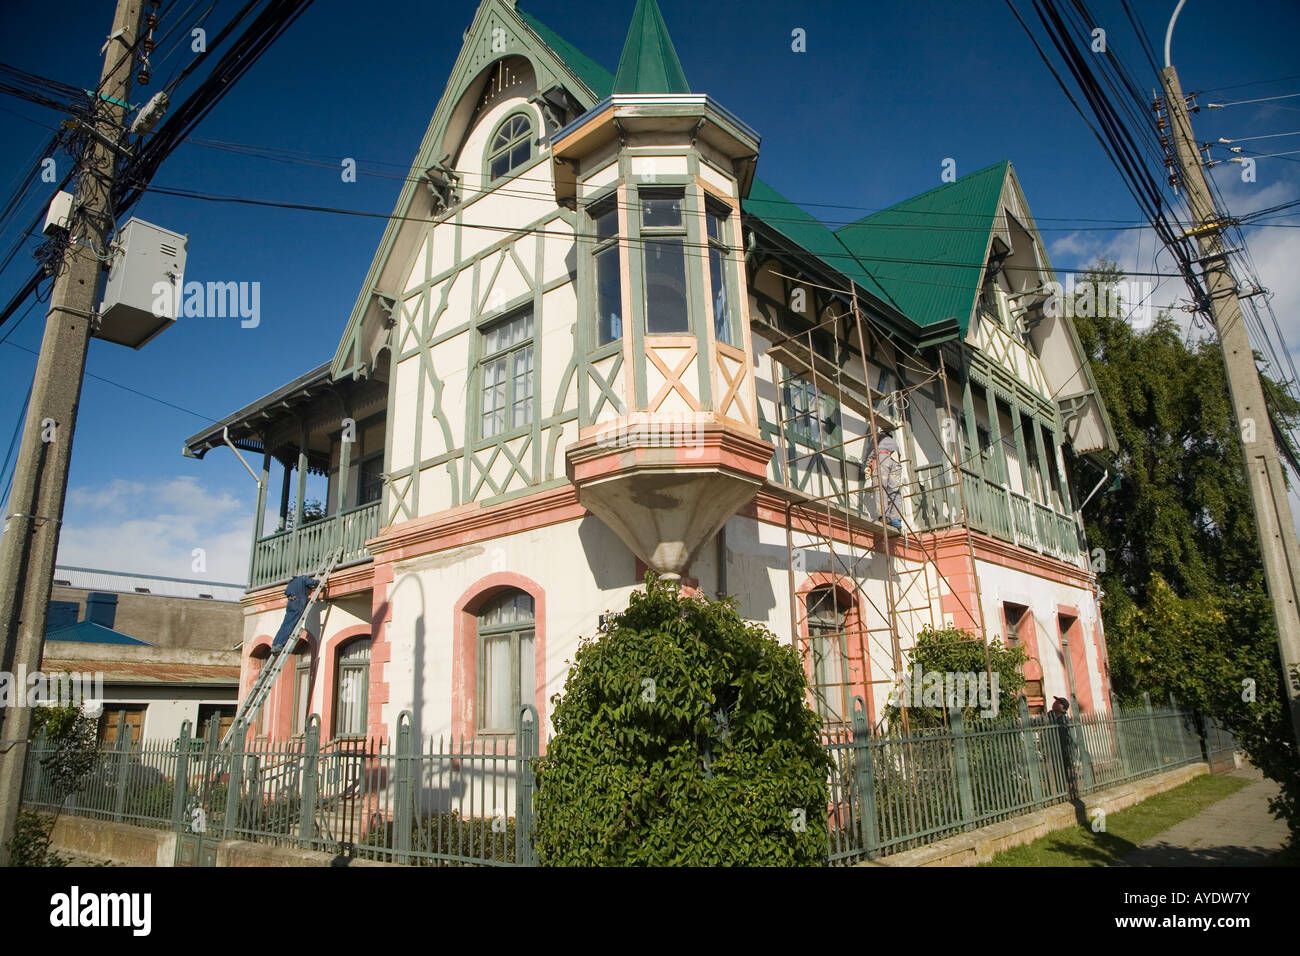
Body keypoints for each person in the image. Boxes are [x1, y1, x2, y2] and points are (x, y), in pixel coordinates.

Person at [269, 574, 320, 654]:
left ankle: (275, 645)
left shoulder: (292, 582)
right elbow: (312, 582)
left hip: (290, 603)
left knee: (285, 624)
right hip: (298, 603)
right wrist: (318, 582)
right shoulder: (304, 578)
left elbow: (286, 592)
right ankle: (280, 645)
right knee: (290, 625)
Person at [865, 433, 904, 530]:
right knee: (895, 492)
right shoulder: (894, 442)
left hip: (883, 458)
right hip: (895, 461)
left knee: (880, 488)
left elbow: (871, 452)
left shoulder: (877, 438)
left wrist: (867, 465)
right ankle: (896, 520)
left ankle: (884, 516)